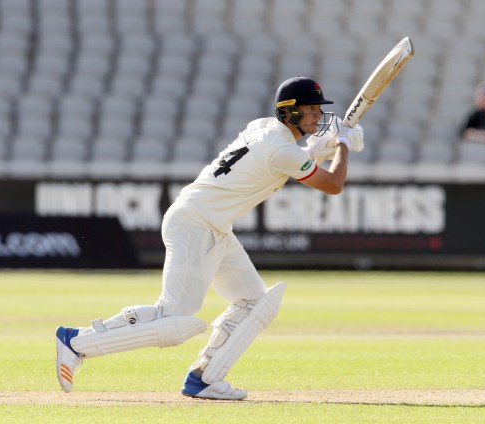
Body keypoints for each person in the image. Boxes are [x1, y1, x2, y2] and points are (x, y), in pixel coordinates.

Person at [55, 76, 364, 400]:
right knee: (174, 320)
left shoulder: (263, 129)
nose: (317, 115)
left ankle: (205, 377)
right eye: (311, 109)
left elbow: (291, 159)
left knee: (253, 303)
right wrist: (342, 144)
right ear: (289, 112)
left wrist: (325, 145)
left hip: (211, 225)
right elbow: (332, 184)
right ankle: (77, 341)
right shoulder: (281, 149)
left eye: (318, 109)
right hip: (196, 224)